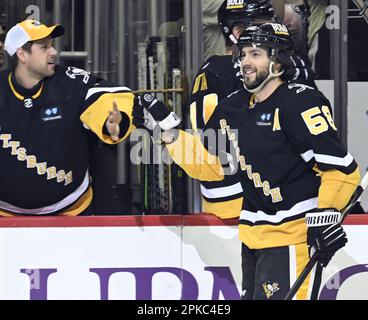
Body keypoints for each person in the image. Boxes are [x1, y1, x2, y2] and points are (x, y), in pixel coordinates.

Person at [138, 22, 361, 299]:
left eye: (255, 54)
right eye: (243, 54)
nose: (245, 61)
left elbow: (340, 169)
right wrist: (170, 135)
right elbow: (211, 165)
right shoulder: (231, 107)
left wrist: (326, 216)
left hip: (292, 237)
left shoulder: (301, 103)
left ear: (278, 62)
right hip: (253, 238)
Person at [0, 19, 140, 217]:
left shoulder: (70, 81)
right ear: (22, 54)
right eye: (44, 47)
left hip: (72, 212)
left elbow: (103, 96)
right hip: (6, 219)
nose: (54, 52)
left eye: (52, 45)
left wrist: (113, 121)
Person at [190, 0, 314, 220]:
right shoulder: (222, 72)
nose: (272, 29)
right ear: (238, 31)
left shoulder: (290, 66)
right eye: (262, 25)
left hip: (265, 198)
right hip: (247, 200)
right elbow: (212, 143)